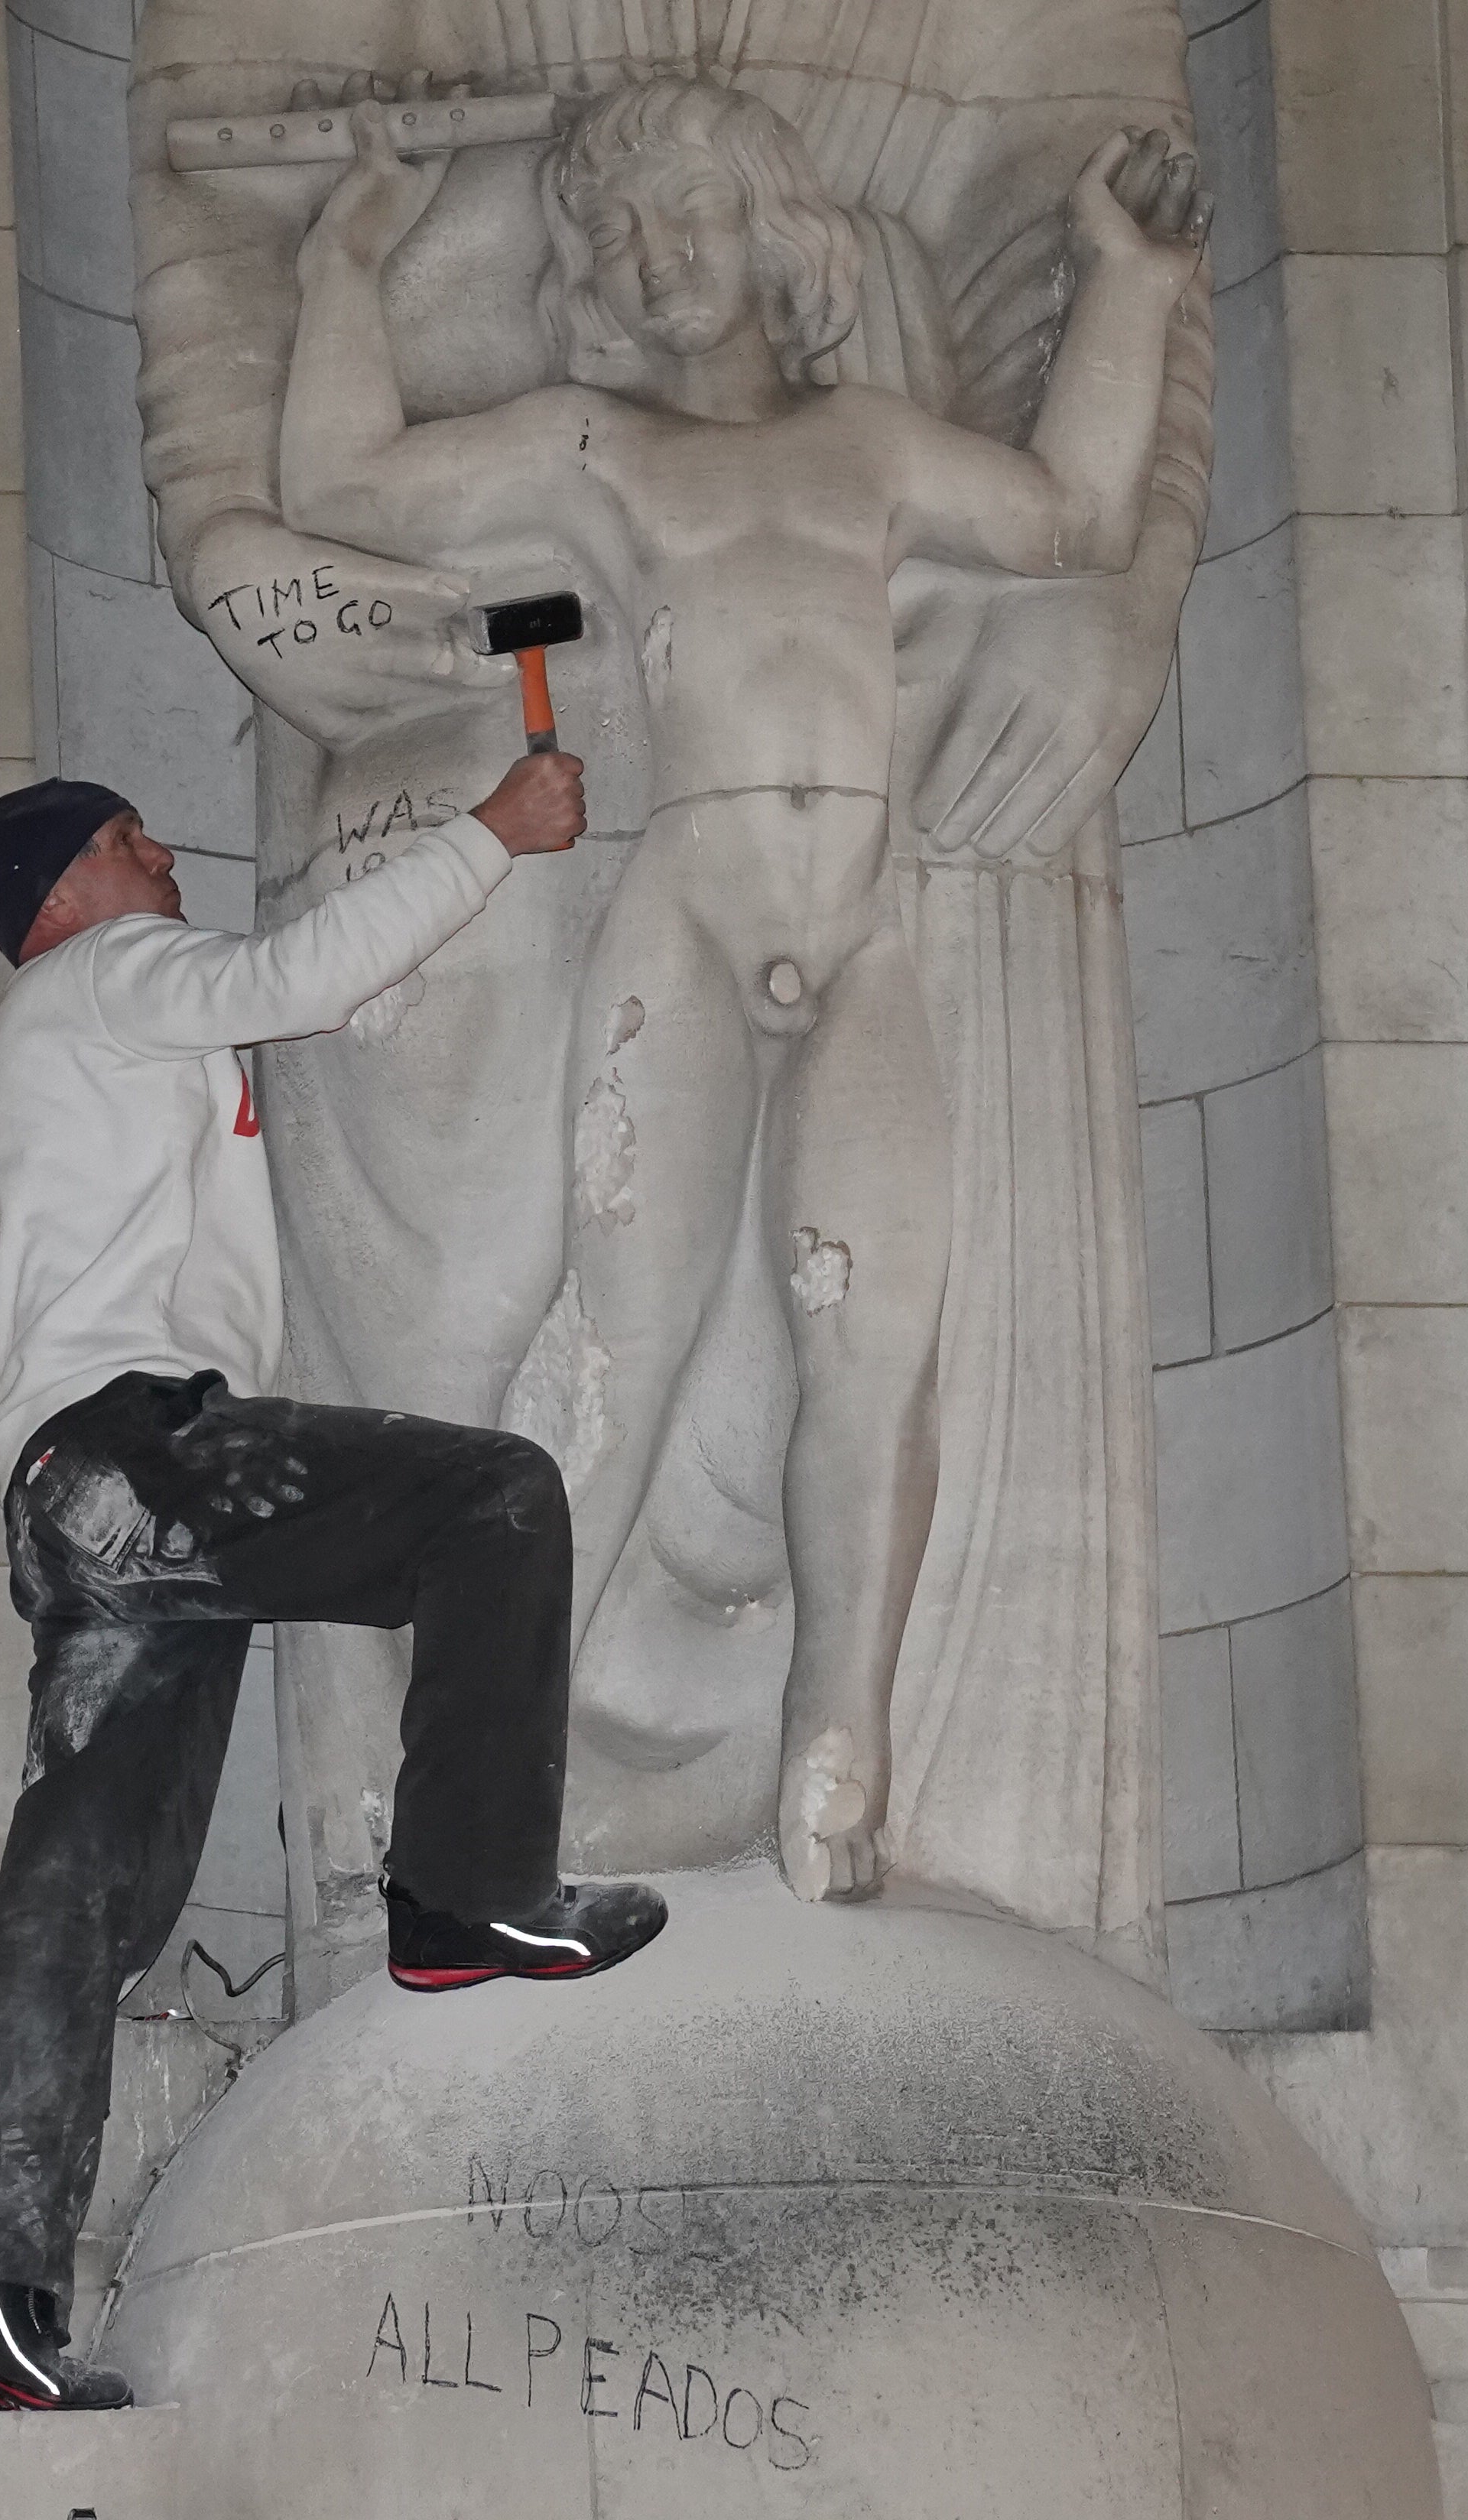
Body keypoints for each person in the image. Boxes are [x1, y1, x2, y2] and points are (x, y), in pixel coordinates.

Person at [278, 87, 1210, 1901]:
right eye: (620, 235)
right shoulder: (597, 448)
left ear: (769, 220)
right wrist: (342, 262)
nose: (656, 255)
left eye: (686, 212)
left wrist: (1127, 282)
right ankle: (484, 1762)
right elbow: (336, 483)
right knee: (617, 1356)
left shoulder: (871, 443)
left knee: (872, 1345)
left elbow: (1084, 512)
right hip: (690, 920)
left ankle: (836, 1751)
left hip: (861, 926)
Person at [0, 755, 671, 2414]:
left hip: (74, 1503)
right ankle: (462, 1897)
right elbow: (292, 977)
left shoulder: (78, 1031)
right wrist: (493, 835)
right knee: (494, 1501)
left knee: (82, 1898)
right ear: (60, 897)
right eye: (121, 839)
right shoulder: (108, 976)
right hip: (146, 1452)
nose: (161, 852)